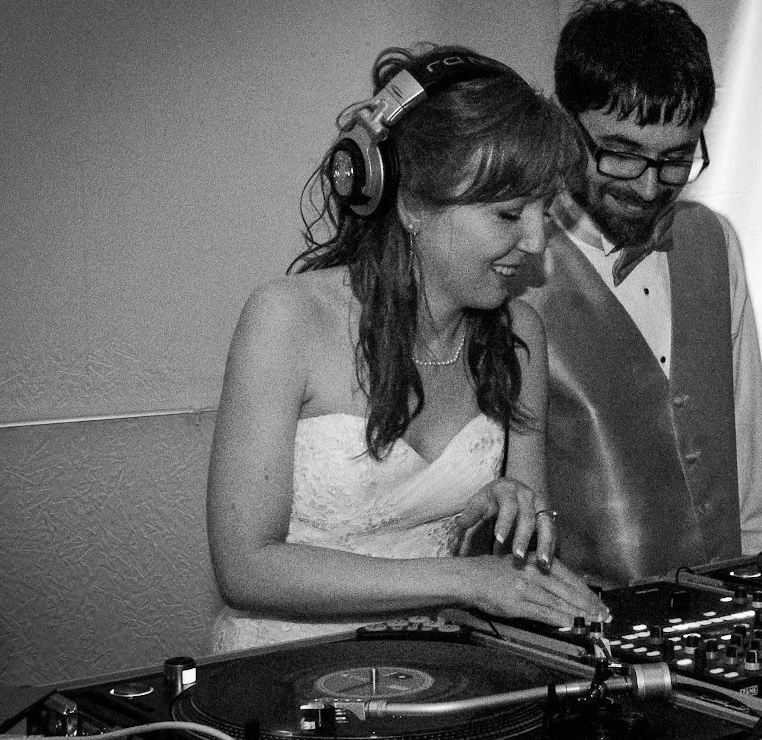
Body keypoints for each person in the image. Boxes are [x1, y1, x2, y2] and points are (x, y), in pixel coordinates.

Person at [206, 44, 608, 653]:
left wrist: (503, 526)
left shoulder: (521, 333)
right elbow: (246, 568)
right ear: (412, 204)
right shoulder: (285, 318)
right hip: (279, 673)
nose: (535, 242)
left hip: (437, 670)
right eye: (506, 214)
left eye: (543, 212)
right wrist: (463, 579)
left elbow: (520, 558)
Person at [518, 0, 762, 588]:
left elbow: (752, 473)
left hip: (725, 610)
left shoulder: (714, 240)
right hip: (580, 635)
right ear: (562, 123)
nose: (649, 187)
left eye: (675, 160)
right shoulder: (514, 260)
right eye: (621, 155)